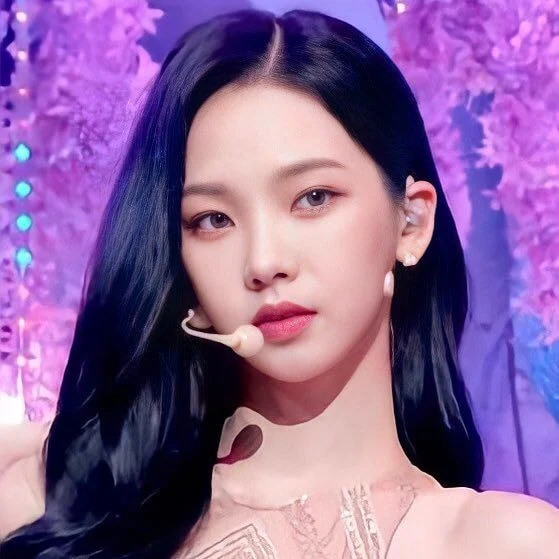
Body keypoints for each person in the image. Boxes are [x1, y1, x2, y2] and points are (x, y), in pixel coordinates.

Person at [1, 8, 558, 558]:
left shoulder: (505, 543)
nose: (264, 262)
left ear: (410, 223)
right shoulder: (57, 502)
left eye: (313, 197)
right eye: (213, 220)